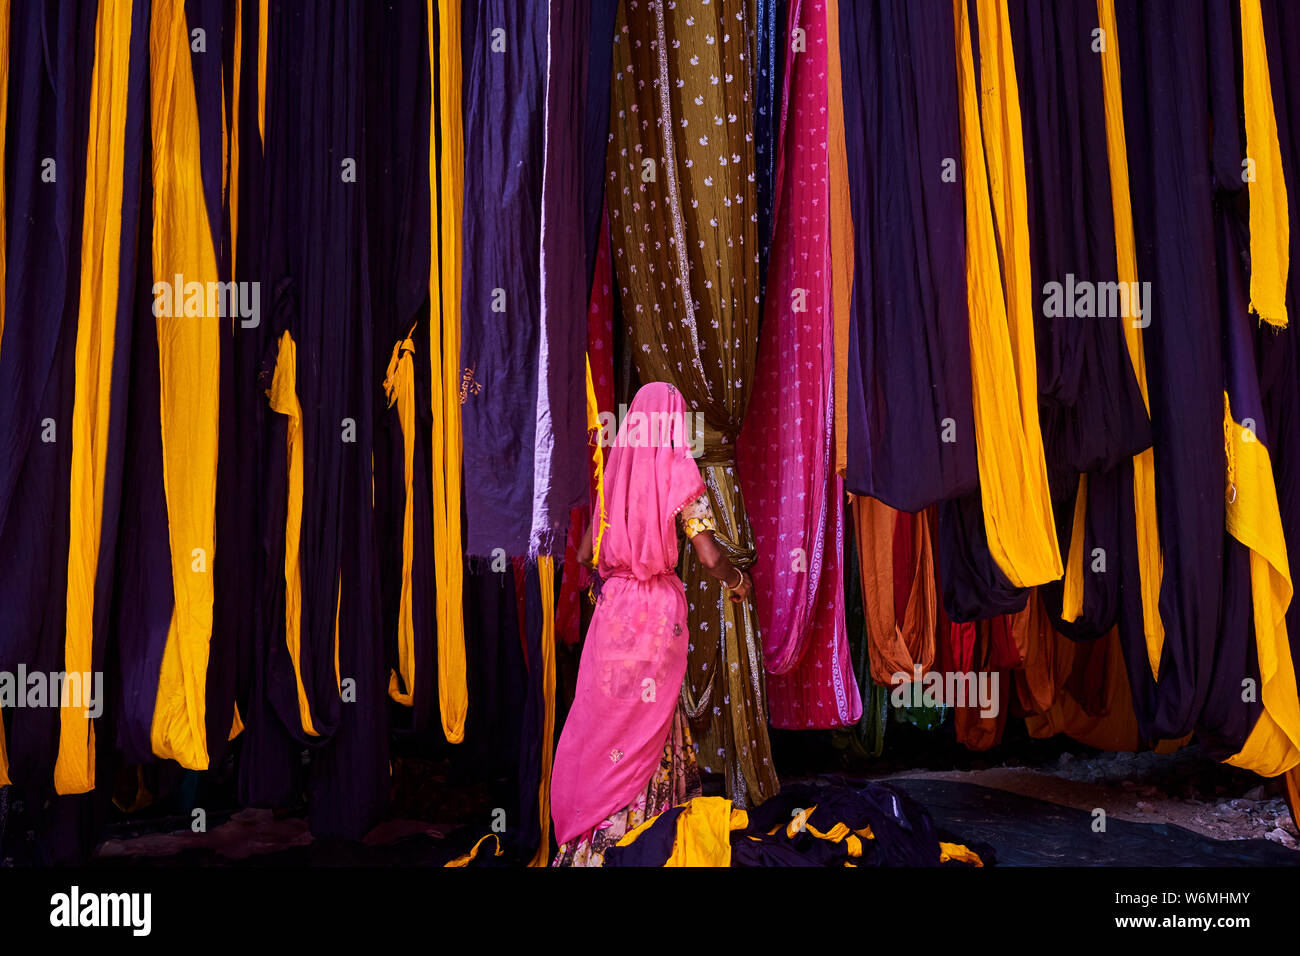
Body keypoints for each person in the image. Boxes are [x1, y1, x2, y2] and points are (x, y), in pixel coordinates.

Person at [550, 382, 752, 866]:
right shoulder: (678, 472)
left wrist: (615, 575)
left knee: (604, 724)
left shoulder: (616, 476)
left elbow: (583, 554)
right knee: (653, 721)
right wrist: (737, 577)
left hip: (613, 610)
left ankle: (588, 842)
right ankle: (647, 835)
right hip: (657, 615)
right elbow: (706, 553)